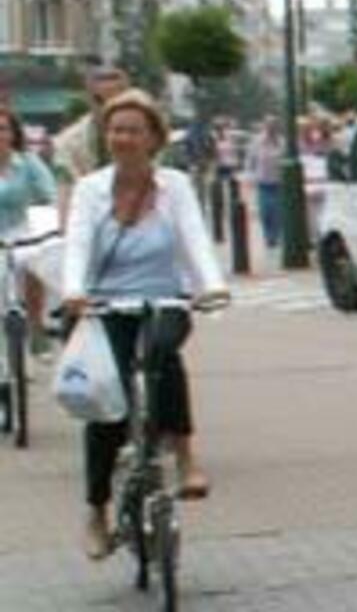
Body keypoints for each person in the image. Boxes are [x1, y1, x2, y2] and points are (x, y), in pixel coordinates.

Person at [58, 91, 230, 556]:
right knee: (106, 401)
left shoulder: (174, 185)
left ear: (153, 138)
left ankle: (185, 456)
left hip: (163, 298)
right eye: (116, 130)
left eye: (134, 130)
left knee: (162, 352)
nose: (123, 138)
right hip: (104, 305)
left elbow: (194, 237)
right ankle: (97, 510)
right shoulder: (92, 189)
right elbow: (76, 244)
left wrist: (211, 285)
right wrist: (74, 290)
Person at [0, 106, 62, 348]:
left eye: (3, 129)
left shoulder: (27, 162)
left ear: (13, 133)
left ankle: (36, 329)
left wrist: (48, 204)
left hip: (20, 230)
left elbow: (49, 193)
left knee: (34, 262)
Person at [52, 63, 129, 213]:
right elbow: (65, 197)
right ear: (89, 99)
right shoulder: (68, 143)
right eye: (100, 100)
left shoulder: (149, 139)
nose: (108, 107)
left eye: (116, 100)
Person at [246, 117, 285, 253]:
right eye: (268, 125)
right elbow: (250, 161)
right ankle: (269, 237)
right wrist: (250, 178)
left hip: (280, 182)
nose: (271, 128)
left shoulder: (282, 142)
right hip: (263, 183)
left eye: (273, 125)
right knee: (265, 212)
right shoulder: (257, 142)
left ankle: (276, 237)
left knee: (278, 212)